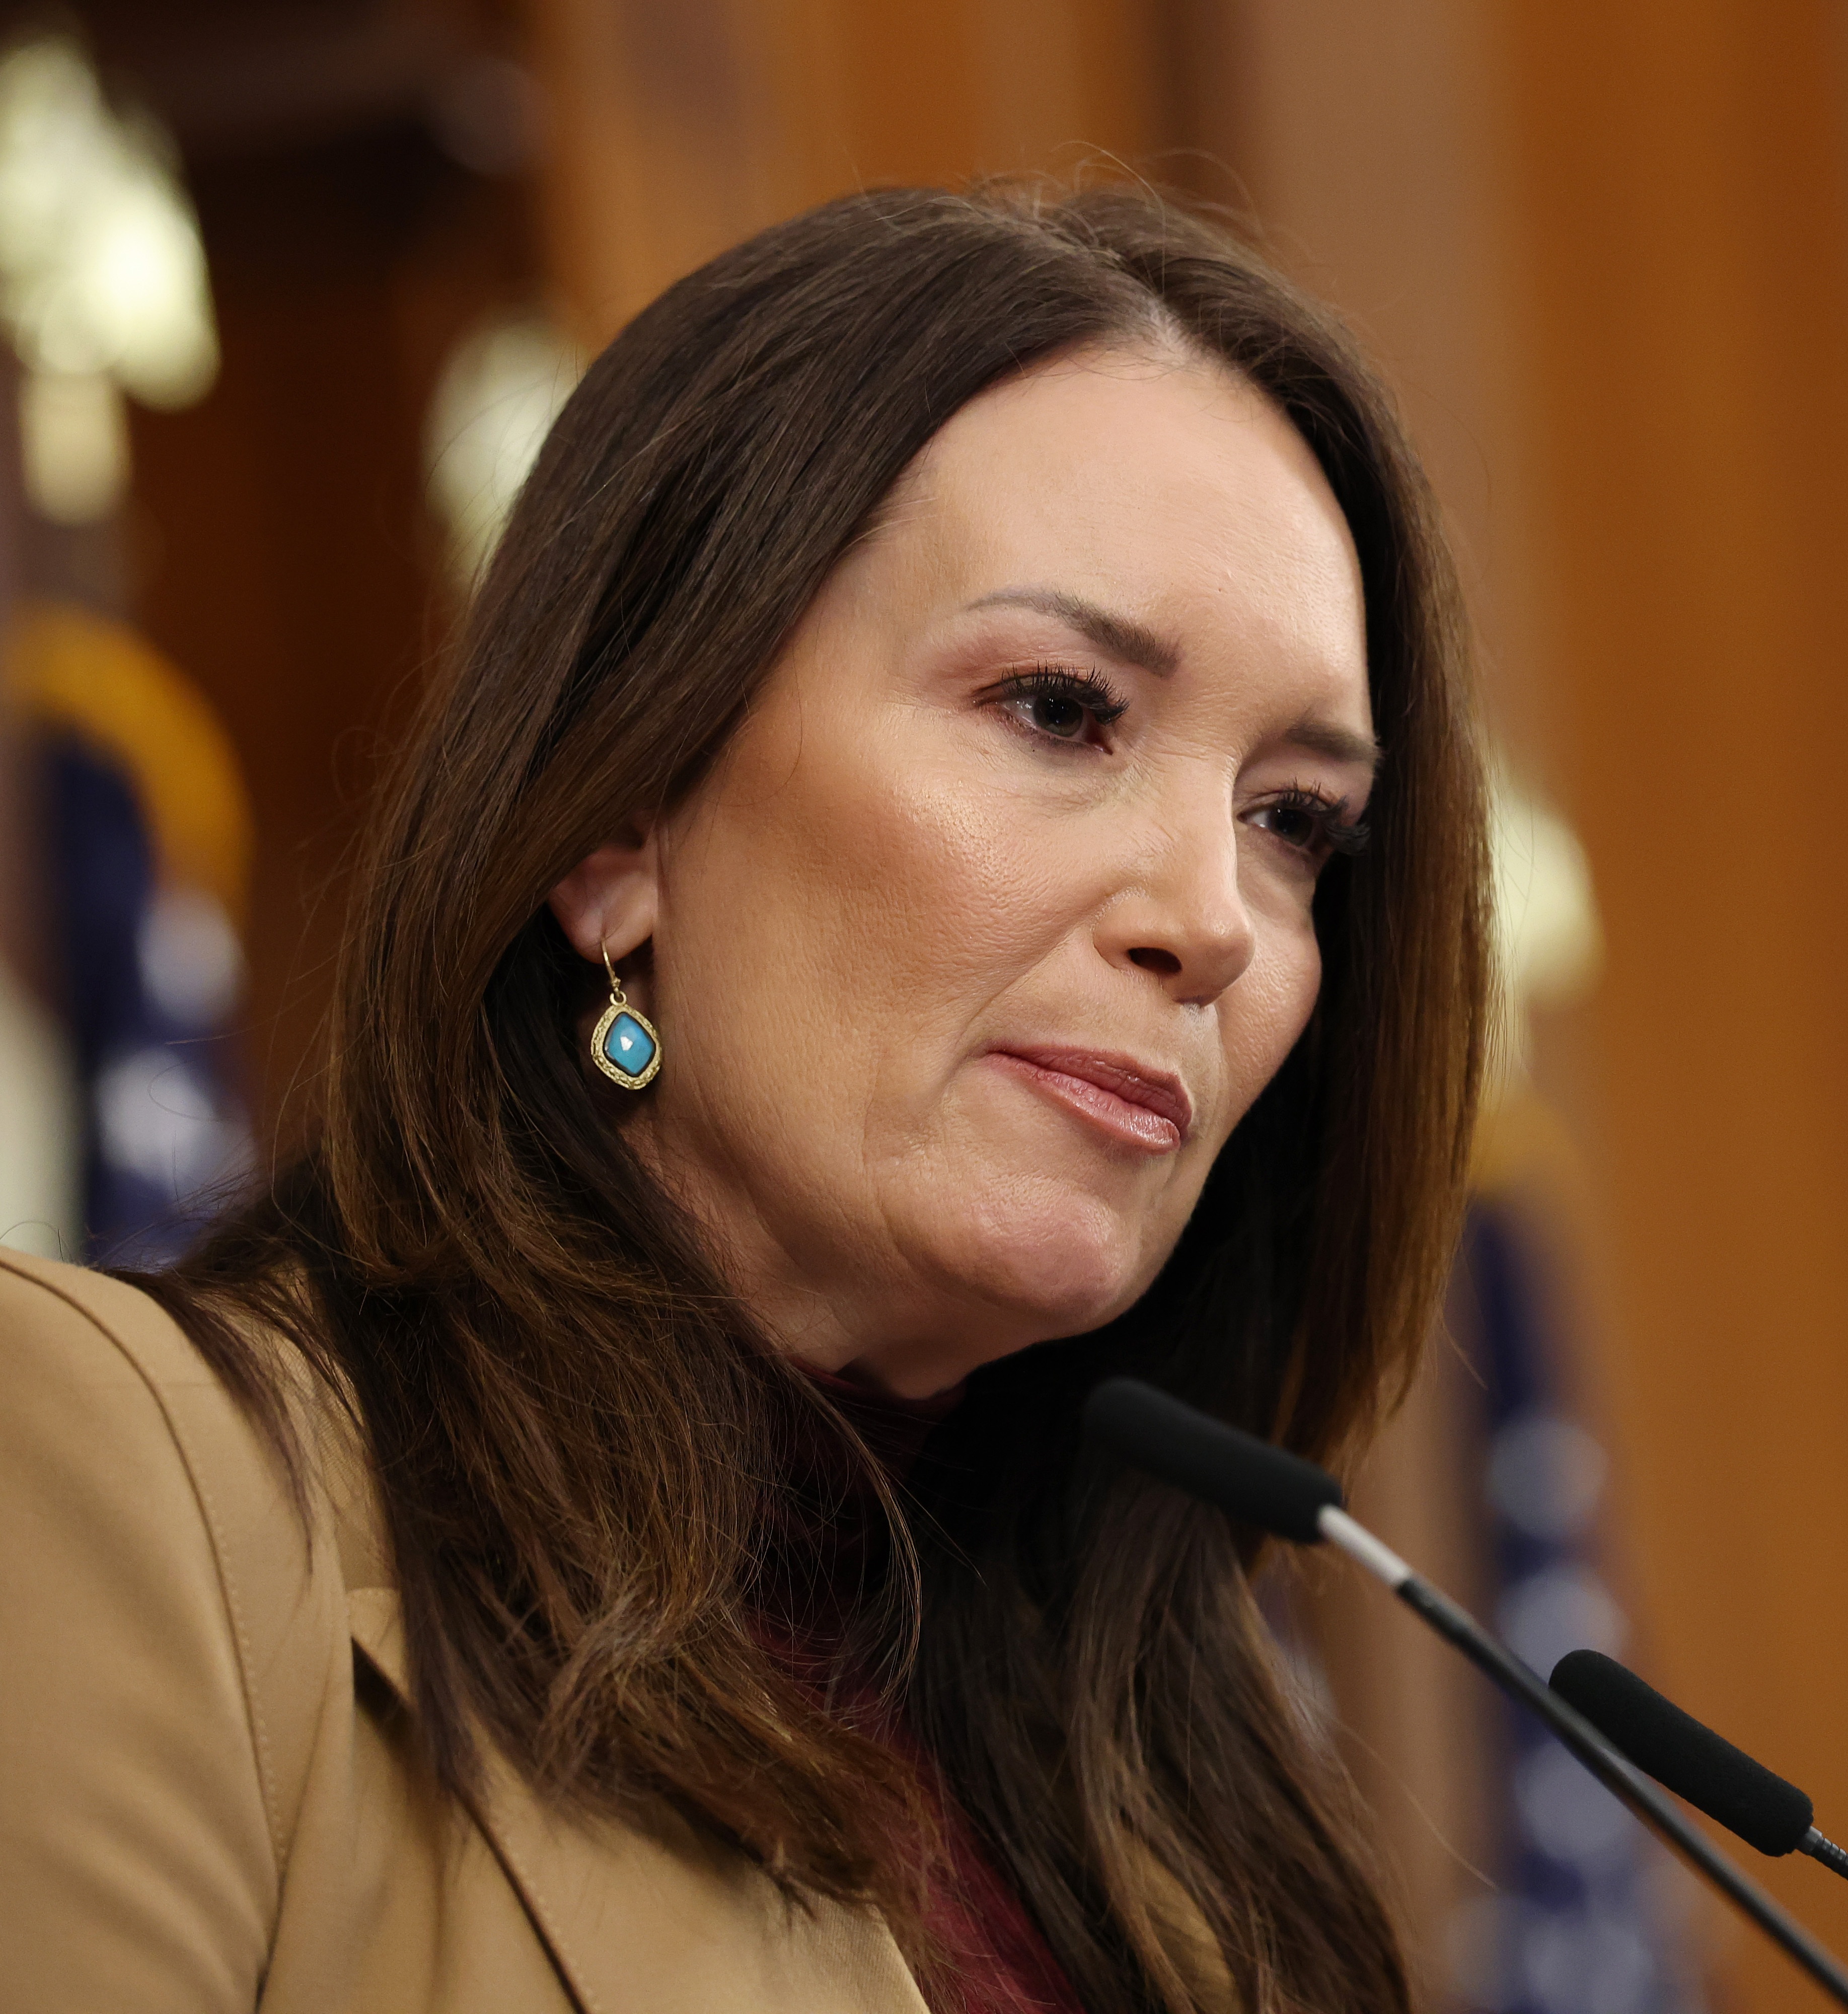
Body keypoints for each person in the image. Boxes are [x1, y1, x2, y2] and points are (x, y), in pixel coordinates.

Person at [0, 185, 1490, 2014]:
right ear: (620, 821)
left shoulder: (1200, 1813)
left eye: (1295, 824)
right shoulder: (114, 1482)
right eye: (1058, 708)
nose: (1211, 921)